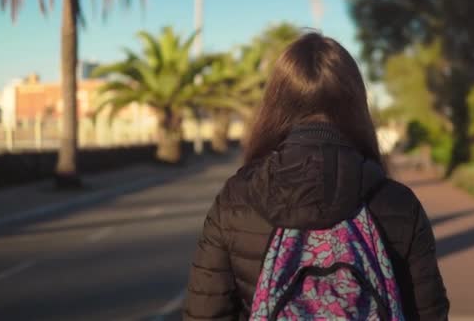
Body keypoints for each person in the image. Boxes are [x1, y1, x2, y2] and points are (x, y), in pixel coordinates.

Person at [184, 32, 449, 320]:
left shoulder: (236, 199)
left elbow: (205, 312)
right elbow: (428, 313)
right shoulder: (398, 203)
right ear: (356, 106)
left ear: (275, 105)